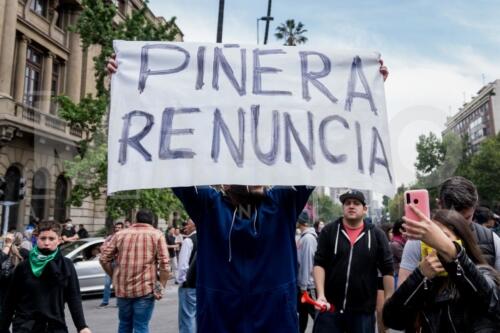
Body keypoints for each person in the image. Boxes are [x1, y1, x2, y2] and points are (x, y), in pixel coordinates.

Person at [107, 56, 389, 333]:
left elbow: (317, 144)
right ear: (223, 178)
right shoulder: (208, 205)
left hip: (274, 318)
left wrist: (363, 98)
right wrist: (130, 88)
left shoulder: (283, 202)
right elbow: (168, 157)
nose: (248, 172)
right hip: (221, 318)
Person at [383, 207, 500, 332]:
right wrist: (420, 275)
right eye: (429, 239)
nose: (434, 245)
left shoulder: (483, 273)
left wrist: (451, 254)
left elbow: (487, 299)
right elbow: (392, 319)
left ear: (462, 241)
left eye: (443, 237)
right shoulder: (427, 282)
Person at [313, 190, 394, 333]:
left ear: (365, 209)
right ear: (343, 207)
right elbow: (319, 263)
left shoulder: (377, 235)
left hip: (363, 313)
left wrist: (388, 300)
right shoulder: (328, 231)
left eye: (356, 203)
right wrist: (320, 295)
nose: (351, 206)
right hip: (329, 308)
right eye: (347, 203)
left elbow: (387, 269)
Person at [398, 176, 500, 287]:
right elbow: (401, 296)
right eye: (452, 220)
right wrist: (421, 274)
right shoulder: (418, 241)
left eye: (466, 218)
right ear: (439, 205)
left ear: (475, 206)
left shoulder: (491, 239)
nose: (459, 226)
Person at [0, 221, 91, 333]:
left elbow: (74, 298)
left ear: (59, 240)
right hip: (25, 327)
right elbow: (10, 300)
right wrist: (3, 327)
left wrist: (82, 326)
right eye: (43, 238)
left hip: (55, 326)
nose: (47, 242)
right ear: (37, 239)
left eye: (51, 239)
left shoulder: (66, 265)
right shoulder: (23, 266)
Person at [100, 210, 170, 333]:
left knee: (124, 324)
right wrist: (160, 287)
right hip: (145, 289)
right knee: (141, 326)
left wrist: (114, 276)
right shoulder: (157, 235)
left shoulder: (120, 234)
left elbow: (103, 259)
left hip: (123, 290)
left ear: (135, 220)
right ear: (152, 221)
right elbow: (165, 264)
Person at [296, 211, 318, 333]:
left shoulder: (308, 238)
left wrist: (304, 285)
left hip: (309, 286)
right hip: (304, 285)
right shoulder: (303, 237)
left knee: (317, 316)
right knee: (302, 317)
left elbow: (307, 262)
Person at [177, 219, 197, 333]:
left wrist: (182, 282)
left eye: (188, 224)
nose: (185, 226)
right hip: (205, 285)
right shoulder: (209, 240)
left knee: (187, 318)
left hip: (189, 285)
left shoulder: (189, 241)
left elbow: (183, 266)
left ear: (194, 225)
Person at [99, 221, 124, 307]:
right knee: (107, 283)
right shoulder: (110, 237)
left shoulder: (124, 238)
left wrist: (111, 250)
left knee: (117, 283)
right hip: (110, 262)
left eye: (119, 228)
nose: (117, 229)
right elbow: (102, 247)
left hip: (119, 263)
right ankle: (105, 301)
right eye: (116, 227)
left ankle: (119, 302)